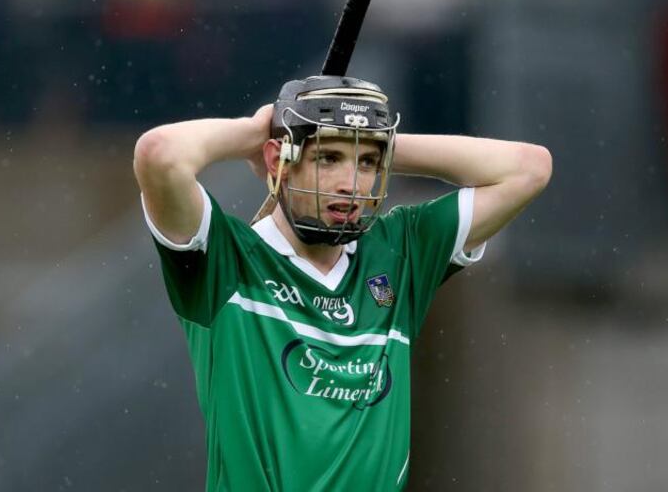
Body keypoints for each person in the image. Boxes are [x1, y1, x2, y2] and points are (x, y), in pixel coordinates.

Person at [133, 75, 552, 490]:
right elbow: (160, 154)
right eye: (328, 158)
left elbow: (529, 168)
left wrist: (373, 139)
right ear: (279, 159)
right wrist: (257, 131)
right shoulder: (226, 260)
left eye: (368, 163)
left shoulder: (401, 253)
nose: (351, 184)